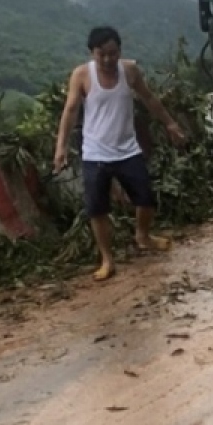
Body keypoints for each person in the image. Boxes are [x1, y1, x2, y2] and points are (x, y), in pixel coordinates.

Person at [53, 26, 188, 281]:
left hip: (127, 149)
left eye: (112, 54)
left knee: (146, 198)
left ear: (120, 51)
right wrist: (60, 147)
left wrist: (170, 124)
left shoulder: (130, 71)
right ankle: (107, 259)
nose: (107, 60)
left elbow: (149, 99)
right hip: (95, 152)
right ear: (92, 53)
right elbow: (70, 111)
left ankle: (143, 235)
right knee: (97, 209)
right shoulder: (82, 75)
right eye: (101, 54)